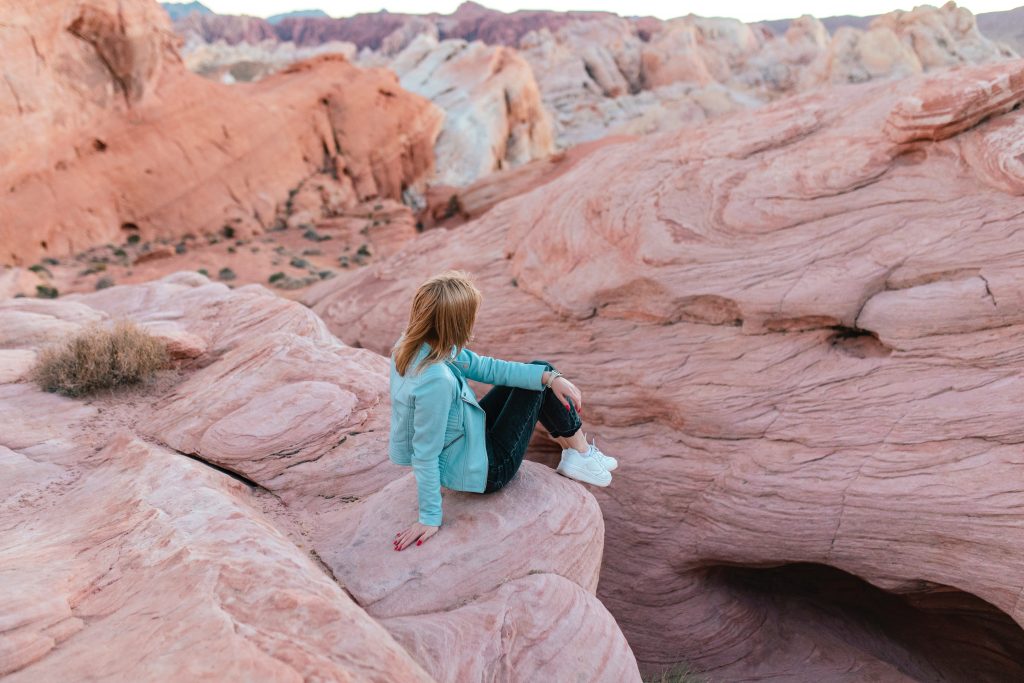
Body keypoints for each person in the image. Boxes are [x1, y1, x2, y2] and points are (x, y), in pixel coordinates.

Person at [388, 270, 618, 551]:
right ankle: (581, 454)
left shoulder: (414, 345)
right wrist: (429, 517)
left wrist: (551, 376)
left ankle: (580, 453)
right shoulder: (435, 379)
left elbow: (486, 367)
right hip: (488, 470)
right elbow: (425, 451)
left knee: (540, 372)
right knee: (538, 386)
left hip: (467, 443)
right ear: (456, 322)